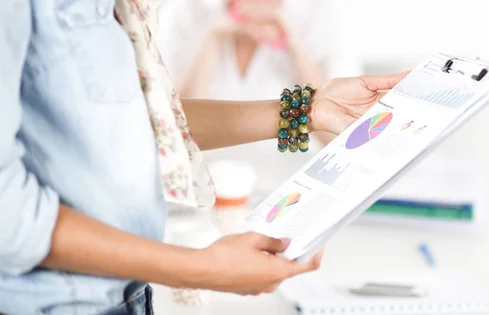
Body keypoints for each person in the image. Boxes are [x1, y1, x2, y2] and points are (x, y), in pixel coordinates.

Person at [0, 1, 407, 315]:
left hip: (126, 296)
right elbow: (10, 218)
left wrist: (309, 110)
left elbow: (139, 123)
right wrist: (202, 268)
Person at [155, 0, 360, 192]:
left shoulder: (318, 12)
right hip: (202, 186)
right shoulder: (187, 10)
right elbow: (175, 130)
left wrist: (293, 46)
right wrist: (214, 37)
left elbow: (339, 134)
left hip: (290, 188)